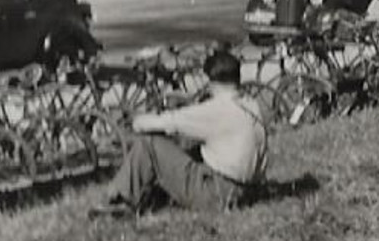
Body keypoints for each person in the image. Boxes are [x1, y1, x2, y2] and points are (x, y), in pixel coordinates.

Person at [89, 49, 266, 217]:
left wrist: (137, 121)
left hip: (219, 194)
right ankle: (147, 191)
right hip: (248, 192)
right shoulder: (251, 105)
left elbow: (171, 122)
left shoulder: (217, 109)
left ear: (212, 81)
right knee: (190, 149)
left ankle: (117, 199)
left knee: (149, 145)